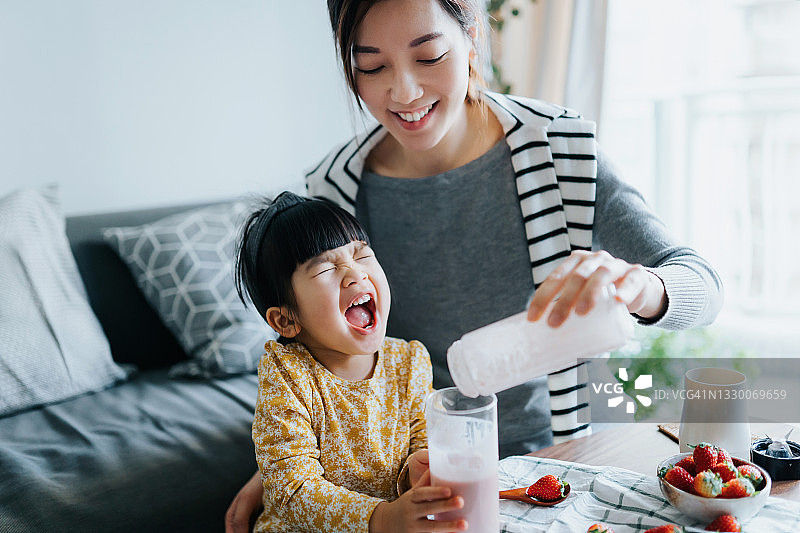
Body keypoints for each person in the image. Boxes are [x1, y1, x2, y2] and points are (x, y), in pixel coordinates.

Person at [225, 0, 723, 530]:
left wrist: (638, 286)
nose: (404, 93)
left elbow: (704, 286)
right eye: (372, 67)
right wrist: (292, 466)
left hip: (552, 460)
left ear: (471, 39)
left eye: (430, 55)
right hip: (417, 478)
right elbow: (325, 363)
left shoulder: (559, 150)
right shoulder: (336, 187)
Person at [234, 191, 469, 532]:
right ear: (286, 321)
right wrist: (383, 517)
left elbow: (421, 443)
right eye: (326, 267)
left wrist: (419, 472)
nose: (354, 273)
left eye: (362, 254)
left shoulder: (409, 361)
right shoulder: (287, 373)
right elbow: (292, 490)